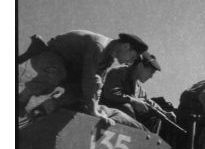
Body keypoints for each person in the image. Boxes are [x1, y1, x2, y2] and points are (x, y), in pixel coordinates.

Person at [19, 30, 148, 125]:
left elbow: (97, 85)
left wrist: (96, 107)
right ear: (126, 47)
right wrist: (94, 112)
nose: (130, 62)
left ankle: (47, 107)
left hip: (68, 69)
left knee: (89, 88)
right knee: (61, 74)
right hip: (46, 57)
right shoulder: (99, 47)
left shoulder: (108, 58)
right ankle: (22, 99)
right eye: (133, 57)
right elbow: (88, 79)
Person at [101, 52, 166, 131]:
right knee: (127, 107)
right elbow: (111, 94)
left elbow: (148, 102)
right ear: (140, 66)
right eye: (151, 72)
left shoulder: (138, 88)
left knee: (154, 120)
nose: (151, 76)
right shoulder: (117, 72)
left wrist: (164, 112)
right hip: (106, 116)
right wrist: (133, 101)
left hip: (123, 126)